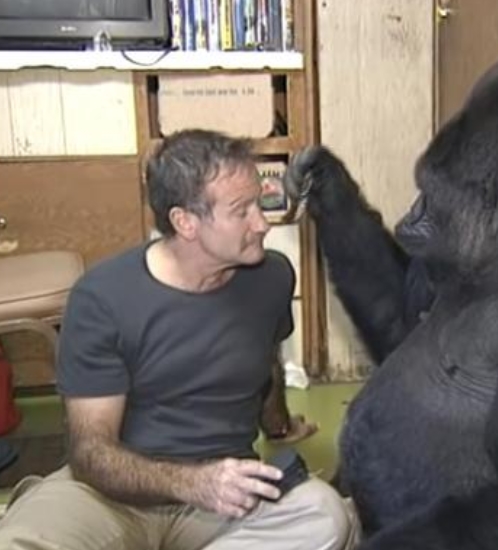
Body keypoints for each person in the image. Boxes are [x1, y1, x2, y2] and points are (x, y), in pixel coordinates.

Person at [0, 129, 354, 549]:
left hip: (224, 494)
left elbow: (266, 360)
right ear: (185, 222)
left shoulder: (272, 277)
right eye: (241, 211)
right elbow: (91, 453)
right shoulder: (102, 297)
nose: (262, 223)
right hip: (111, 495)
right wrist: (192, 483)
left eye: (259, 203)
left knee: (325, 514)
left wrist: (278, 426)